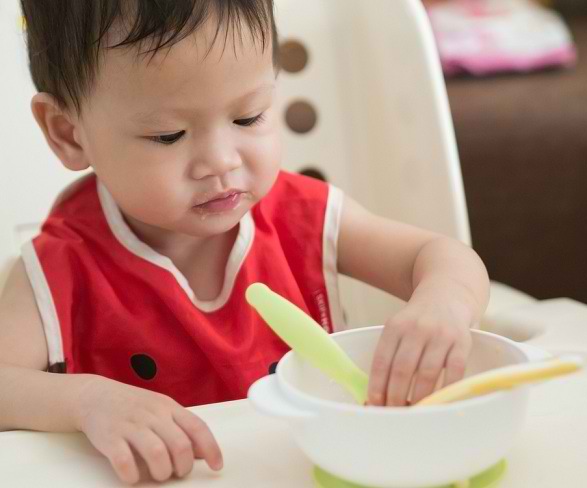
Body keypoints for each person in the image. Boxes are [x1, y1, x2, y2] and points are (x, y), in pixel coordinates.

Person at [0, 0, 489, 484]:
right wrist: (90, 402)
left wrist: (442, 305)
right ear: (68, 132)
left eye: (248, 117)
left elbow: (442, 257)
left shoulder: (301, 217)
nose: (221, 161)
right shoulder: (61, 263)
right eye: (169, 135)